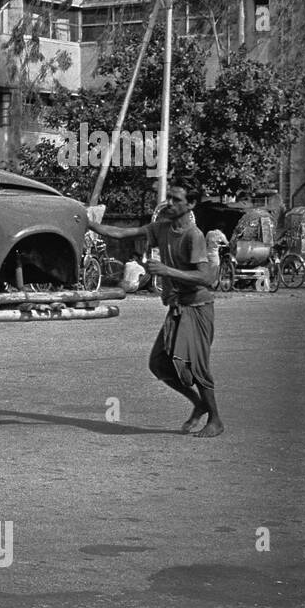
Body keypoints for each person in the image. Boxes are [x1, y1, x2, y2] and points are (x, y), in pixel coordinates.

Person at [88, 184, 223, 438]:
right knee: (159, 364)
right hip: (177, 307)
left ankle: (215, 419)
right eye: (168, 198)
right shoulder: (160, 228)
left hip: (197, 307)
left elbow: (205, 278)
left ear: (190, 204)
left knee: (196, 366)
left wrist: (167, 271)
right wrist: (91, 225)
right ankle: (198, 403)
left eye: (176, 199)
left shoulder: (194, 236)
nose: (169, 203)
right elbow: (121, 233)